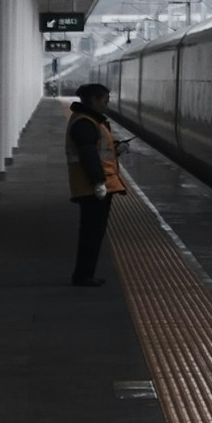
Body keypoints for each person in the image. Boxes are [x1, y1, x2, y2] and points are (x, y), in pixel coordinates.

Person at [66, 80, 126, 286]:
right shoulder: (85, 123)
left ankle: (85, 273)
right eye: (105, 101)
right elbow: (88, 154)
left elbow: (96, 150)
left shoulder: (89, 121)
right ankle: (84, 275)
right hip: (92, 188)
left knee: (92, 232)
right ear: (94, 100)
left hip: (91, 185)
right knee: (92, 233)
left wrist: (116, 149)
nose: (106, 105)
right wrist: (98, 182)